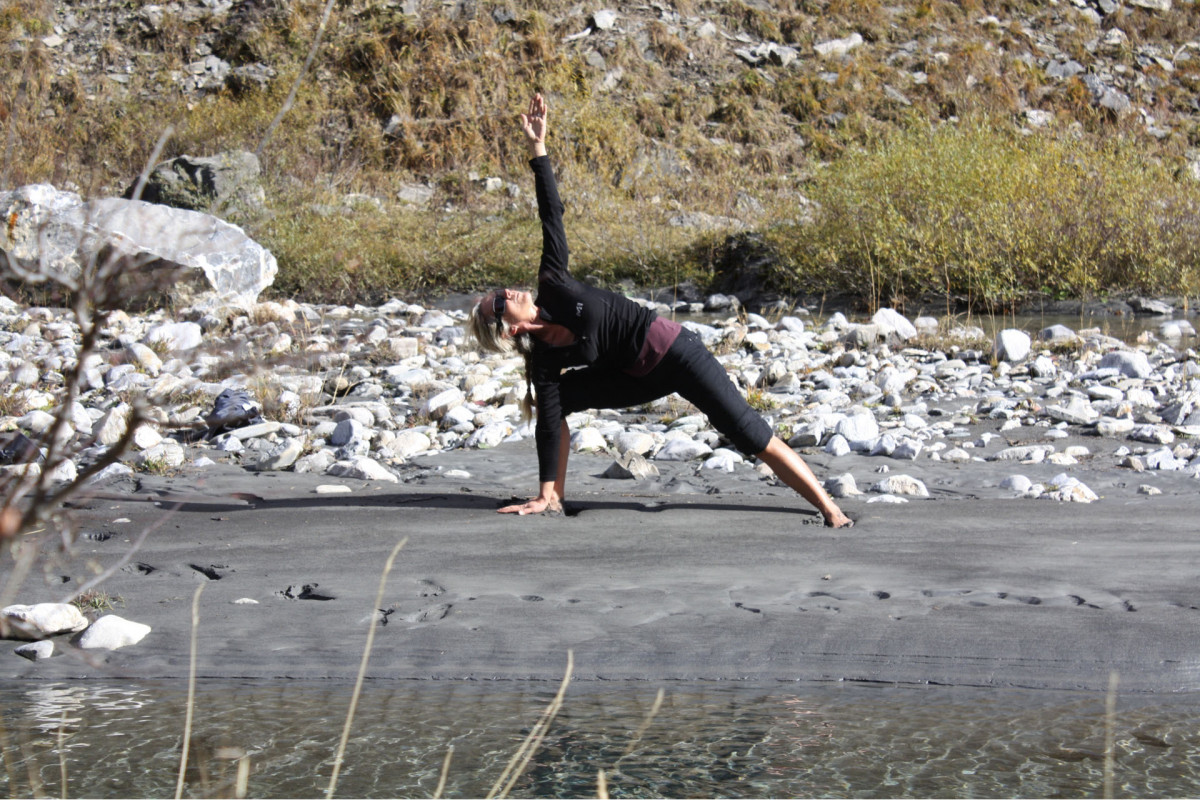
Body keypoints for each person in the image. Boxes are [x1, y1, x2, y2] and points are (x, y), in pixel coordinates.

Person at [467, 94, 854, 528]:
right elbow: (548, 424)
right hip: (635, 378)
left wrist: (539, 148)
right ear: (507, 331)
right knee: (554, 402)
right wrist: (541, 495)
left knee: (748, 433)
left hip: (677, 354)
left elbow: (551, 215)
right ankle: (553, 499)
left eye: (499, 291)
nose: (508, 292)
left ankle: (831, 509)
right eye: (499, 302)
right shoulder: (545, 360)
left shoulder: (553, 283)